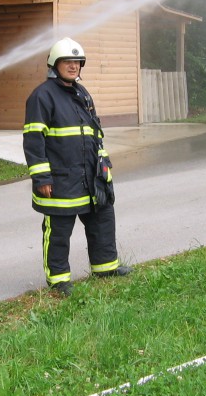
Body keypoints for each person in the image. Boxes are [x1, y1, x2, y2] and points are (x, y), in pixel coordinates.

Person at [23, 37, 132, 296]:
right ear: (54, 64)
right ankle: (59, 281)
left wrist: (103, 165)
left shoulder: (82, 93)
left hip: (90, 175)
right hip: (60, 178)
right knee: (59, 231)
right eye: (67, 62)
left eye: (77, 62)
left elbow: (95, 134)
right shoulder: (42, 96)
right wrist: (42, 178)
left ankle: (106, 267)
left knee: (102, 219)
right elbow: (33, 141)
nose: (73, 66)